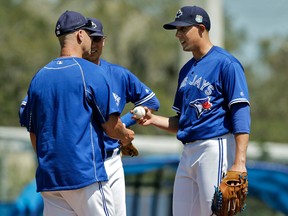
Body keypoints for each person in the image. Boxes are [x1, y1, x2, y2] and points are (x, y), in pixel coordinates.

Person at [137, 5, 251, 216]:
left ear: (200, 28)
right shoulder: (186, 70)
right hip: (188, 152)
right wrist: (153, 120)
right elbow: (182, 121)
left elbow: (240, 111)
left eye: (183, 29)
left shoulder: (226, 64)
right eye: (177, 30)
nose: (178, 34)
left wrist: (239, 163)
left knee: (216, 213)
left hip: (214, 147)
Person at [21, 10, 134, 216]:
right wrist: (125, 136)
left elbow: (33, 132)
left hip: (51, 180)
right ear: (81, 35)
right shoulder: (91, 72)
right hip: (85, 177)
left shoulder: (39, 77)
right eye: (89, 35)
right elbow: (111, 127)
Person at [84, 17, 160, 216]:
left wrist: (122, 125)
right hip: (85, 161)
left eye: (98, 39)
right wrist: (119, 131)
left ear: (104, 41)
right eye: (90, 39)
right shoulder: (73, 72)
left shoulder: (117, 74)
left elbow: (152, 102)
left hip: (113, 160)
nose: (94, 44)